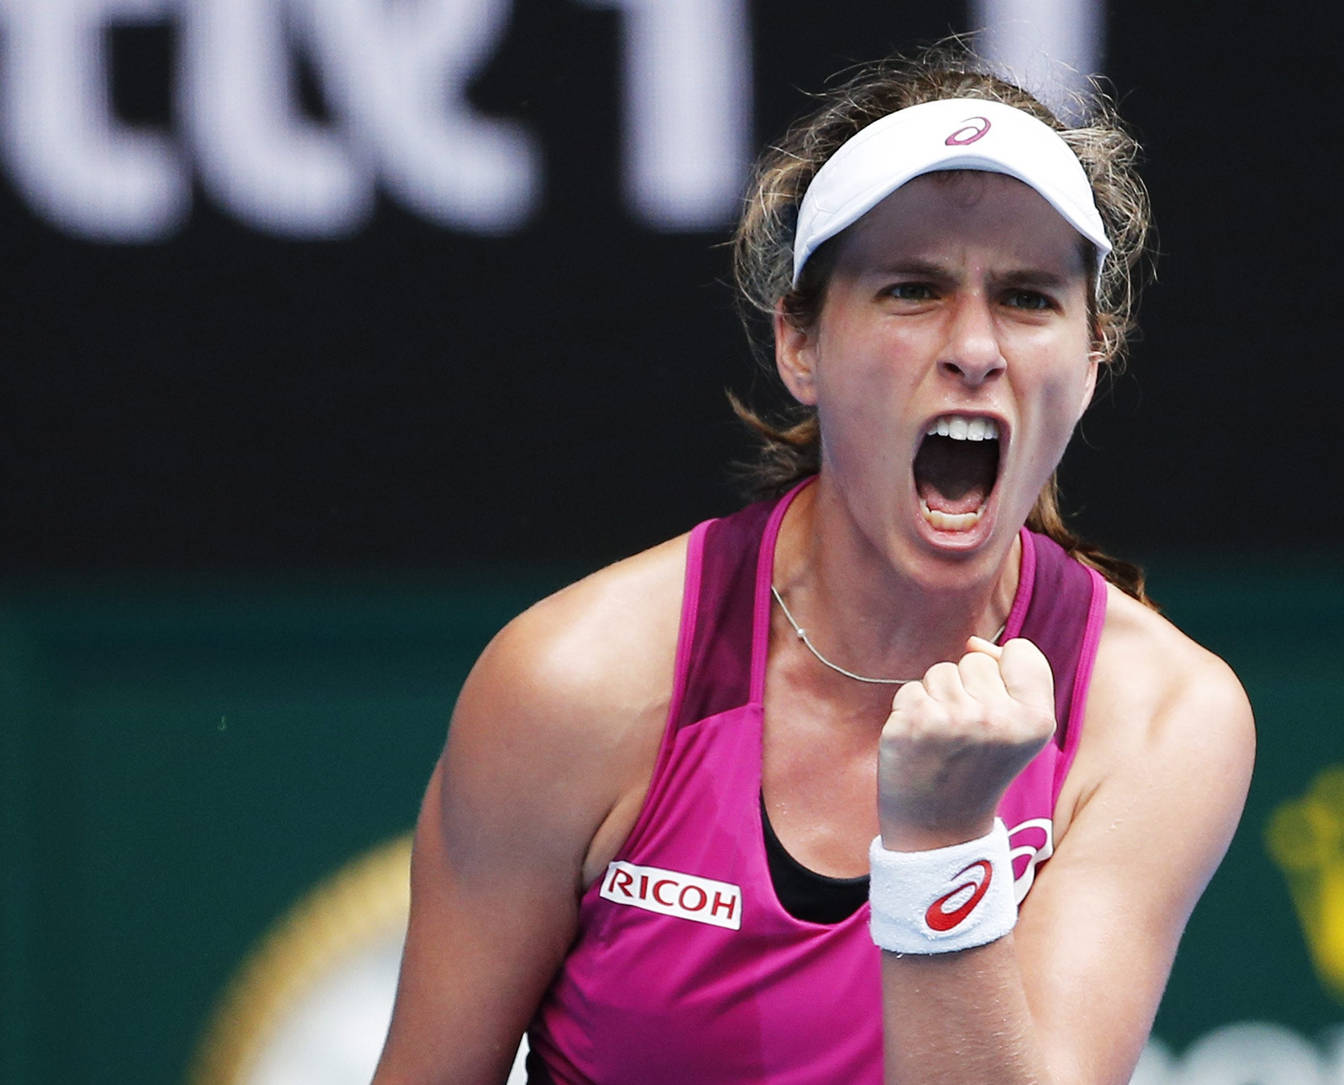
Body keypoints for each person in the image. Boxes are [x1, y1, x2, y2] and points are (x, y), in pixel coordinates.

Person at [375, 42, 1255, 1085]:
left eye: (1028, 298)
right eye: (912, 288)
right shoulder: (575, 683)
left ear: (1093, 357)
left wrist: (939, 842)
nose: (976, 346)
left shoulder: (1160, 720)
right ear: (801, 342)